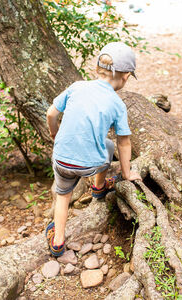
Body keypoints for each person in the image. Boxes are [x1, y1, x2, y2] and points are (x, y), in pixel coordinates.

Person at [45, 42, 141, 256]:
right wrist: (126, 173)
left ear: (97, 68)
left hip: (63, 161)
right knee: (107, 145)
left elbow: (51, 114)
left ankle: (58, 241)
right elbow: (123, 142)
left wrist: (54, 133)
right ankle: (99, 187)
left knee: (63, 195)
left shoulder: (76, 87)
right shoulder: (117, 104)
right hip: (91, 165)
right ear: (125, 77)